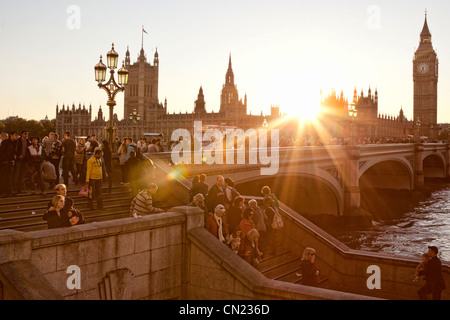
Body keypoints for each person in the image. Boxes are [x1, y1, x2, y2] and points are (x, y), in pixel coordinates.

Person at [0, 131, 19, 196]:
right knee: (4, 177)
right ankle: (4, 191)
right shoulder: (5, 142)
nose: (16, 136)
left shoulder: (14, 142)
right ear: (11, 135)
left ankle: (8, 191)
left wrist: (13, 159)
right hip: (4, 162)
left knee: (9, 177)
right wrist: (5, 160)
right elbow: (2, 152)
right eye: (15, 135)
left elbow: (13, 152)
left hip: (9, 162)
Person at [13, 130, 31, 194]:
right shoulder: (18, 141)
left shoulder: (27, 142)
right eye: (25, 134)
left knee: (22, 175)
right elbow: (14, 150)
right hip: (18, 160)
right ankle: (15, 189)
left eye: (27, 134)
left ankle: (20, 189)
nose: (26, 135)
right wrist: (18, 156)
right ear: (21, 134)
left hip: (24, 160)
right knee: (16, 174)